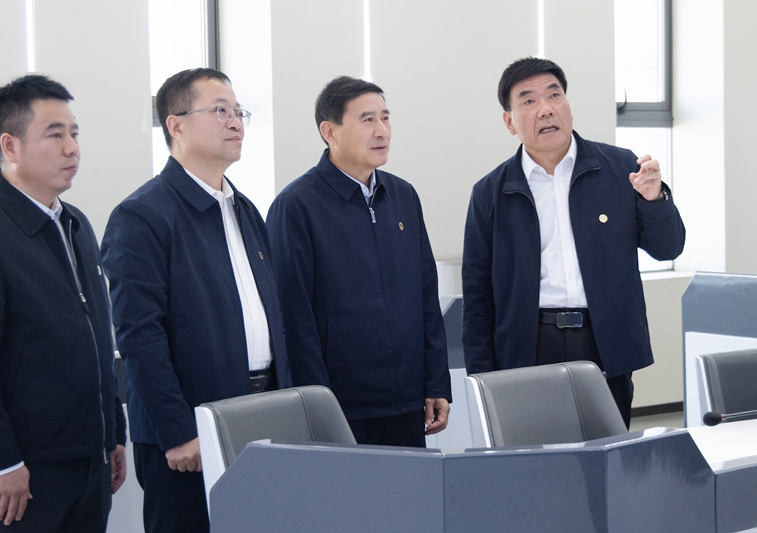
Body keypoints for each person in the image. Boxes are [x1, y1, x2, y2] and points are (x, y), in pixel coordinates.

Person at [101, 68, 291, 533]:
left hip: (259, 412)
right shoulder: (142, 215)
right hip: (190, 431)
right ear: (176, 125)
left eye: (239, 111)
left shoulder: (244, 209)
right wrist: (178, 430)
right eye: (220, 111)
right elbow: (139, 337)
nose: (236, 122)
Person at [462, 57, 686, 427]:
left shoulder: (621, 168)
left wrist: (655, 199)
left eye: (555, 95)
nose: (546, 109)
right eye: (529, 101)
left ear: (568, 106)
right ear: (509, 122)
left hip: (603, 340)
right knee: (536, 452)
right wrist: (481, 377)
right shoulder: (490, 192)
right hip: (529, 344)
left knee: (606, 450)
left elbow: (668, 248)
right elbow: (478, 295)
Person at [0, 74, 127, 533]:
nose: (72, 148)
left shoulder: (75, 224)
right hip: (23, 471)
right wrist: (1, 461)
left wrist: (113, 433)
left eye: (74, 134)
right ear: (9, 146)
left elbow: (98, 334)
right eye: (55, 135)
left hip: (89, 459)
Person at [266, 76, 451, 448]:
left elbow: (425, 297)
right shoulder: (297, 206)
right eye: (367, 120)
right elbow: (293, 318)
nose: (382, 130)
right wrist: (316, 405)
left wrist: (436, 382)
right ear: (329, 131)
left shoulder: (403, 196)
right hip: (342, 407)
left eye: (385, 117)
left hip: (406, 402)